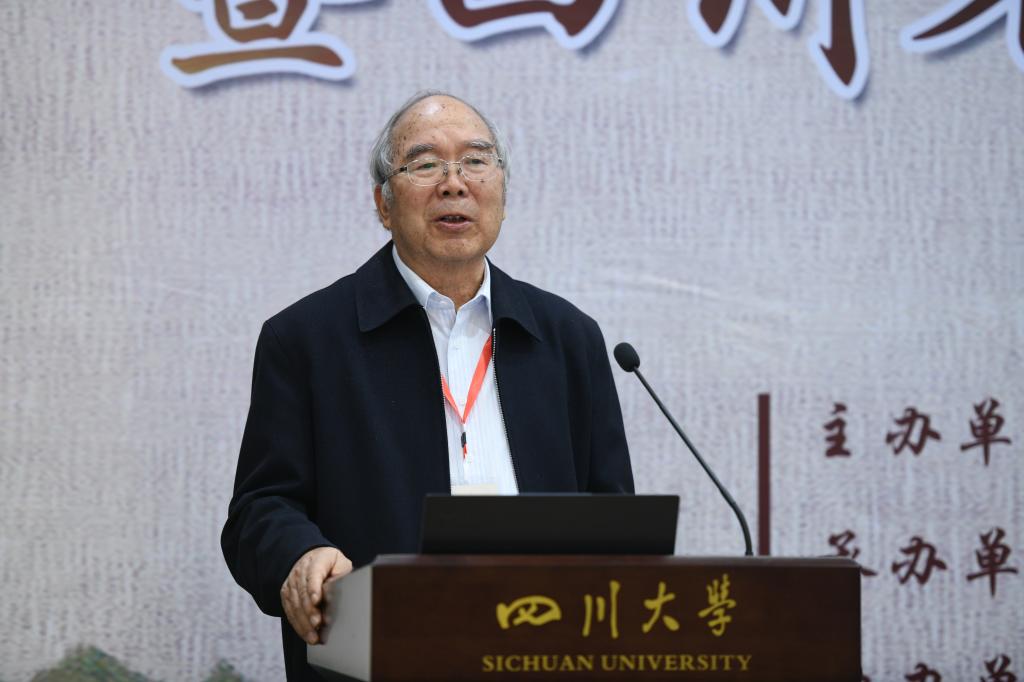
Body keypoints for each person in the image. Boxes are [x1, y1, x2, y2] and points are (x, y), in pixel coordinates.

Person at [221, 91, 634, 680]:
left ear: (502, 191)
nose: (454, 183)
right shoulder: (306, 340)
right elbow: (260, 509)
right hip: (375, 657)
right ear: (383, 204)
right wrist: (300, 554)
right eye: (424, 164)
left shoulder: (568, 338)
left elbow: (613, 519)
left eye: (476, 161)